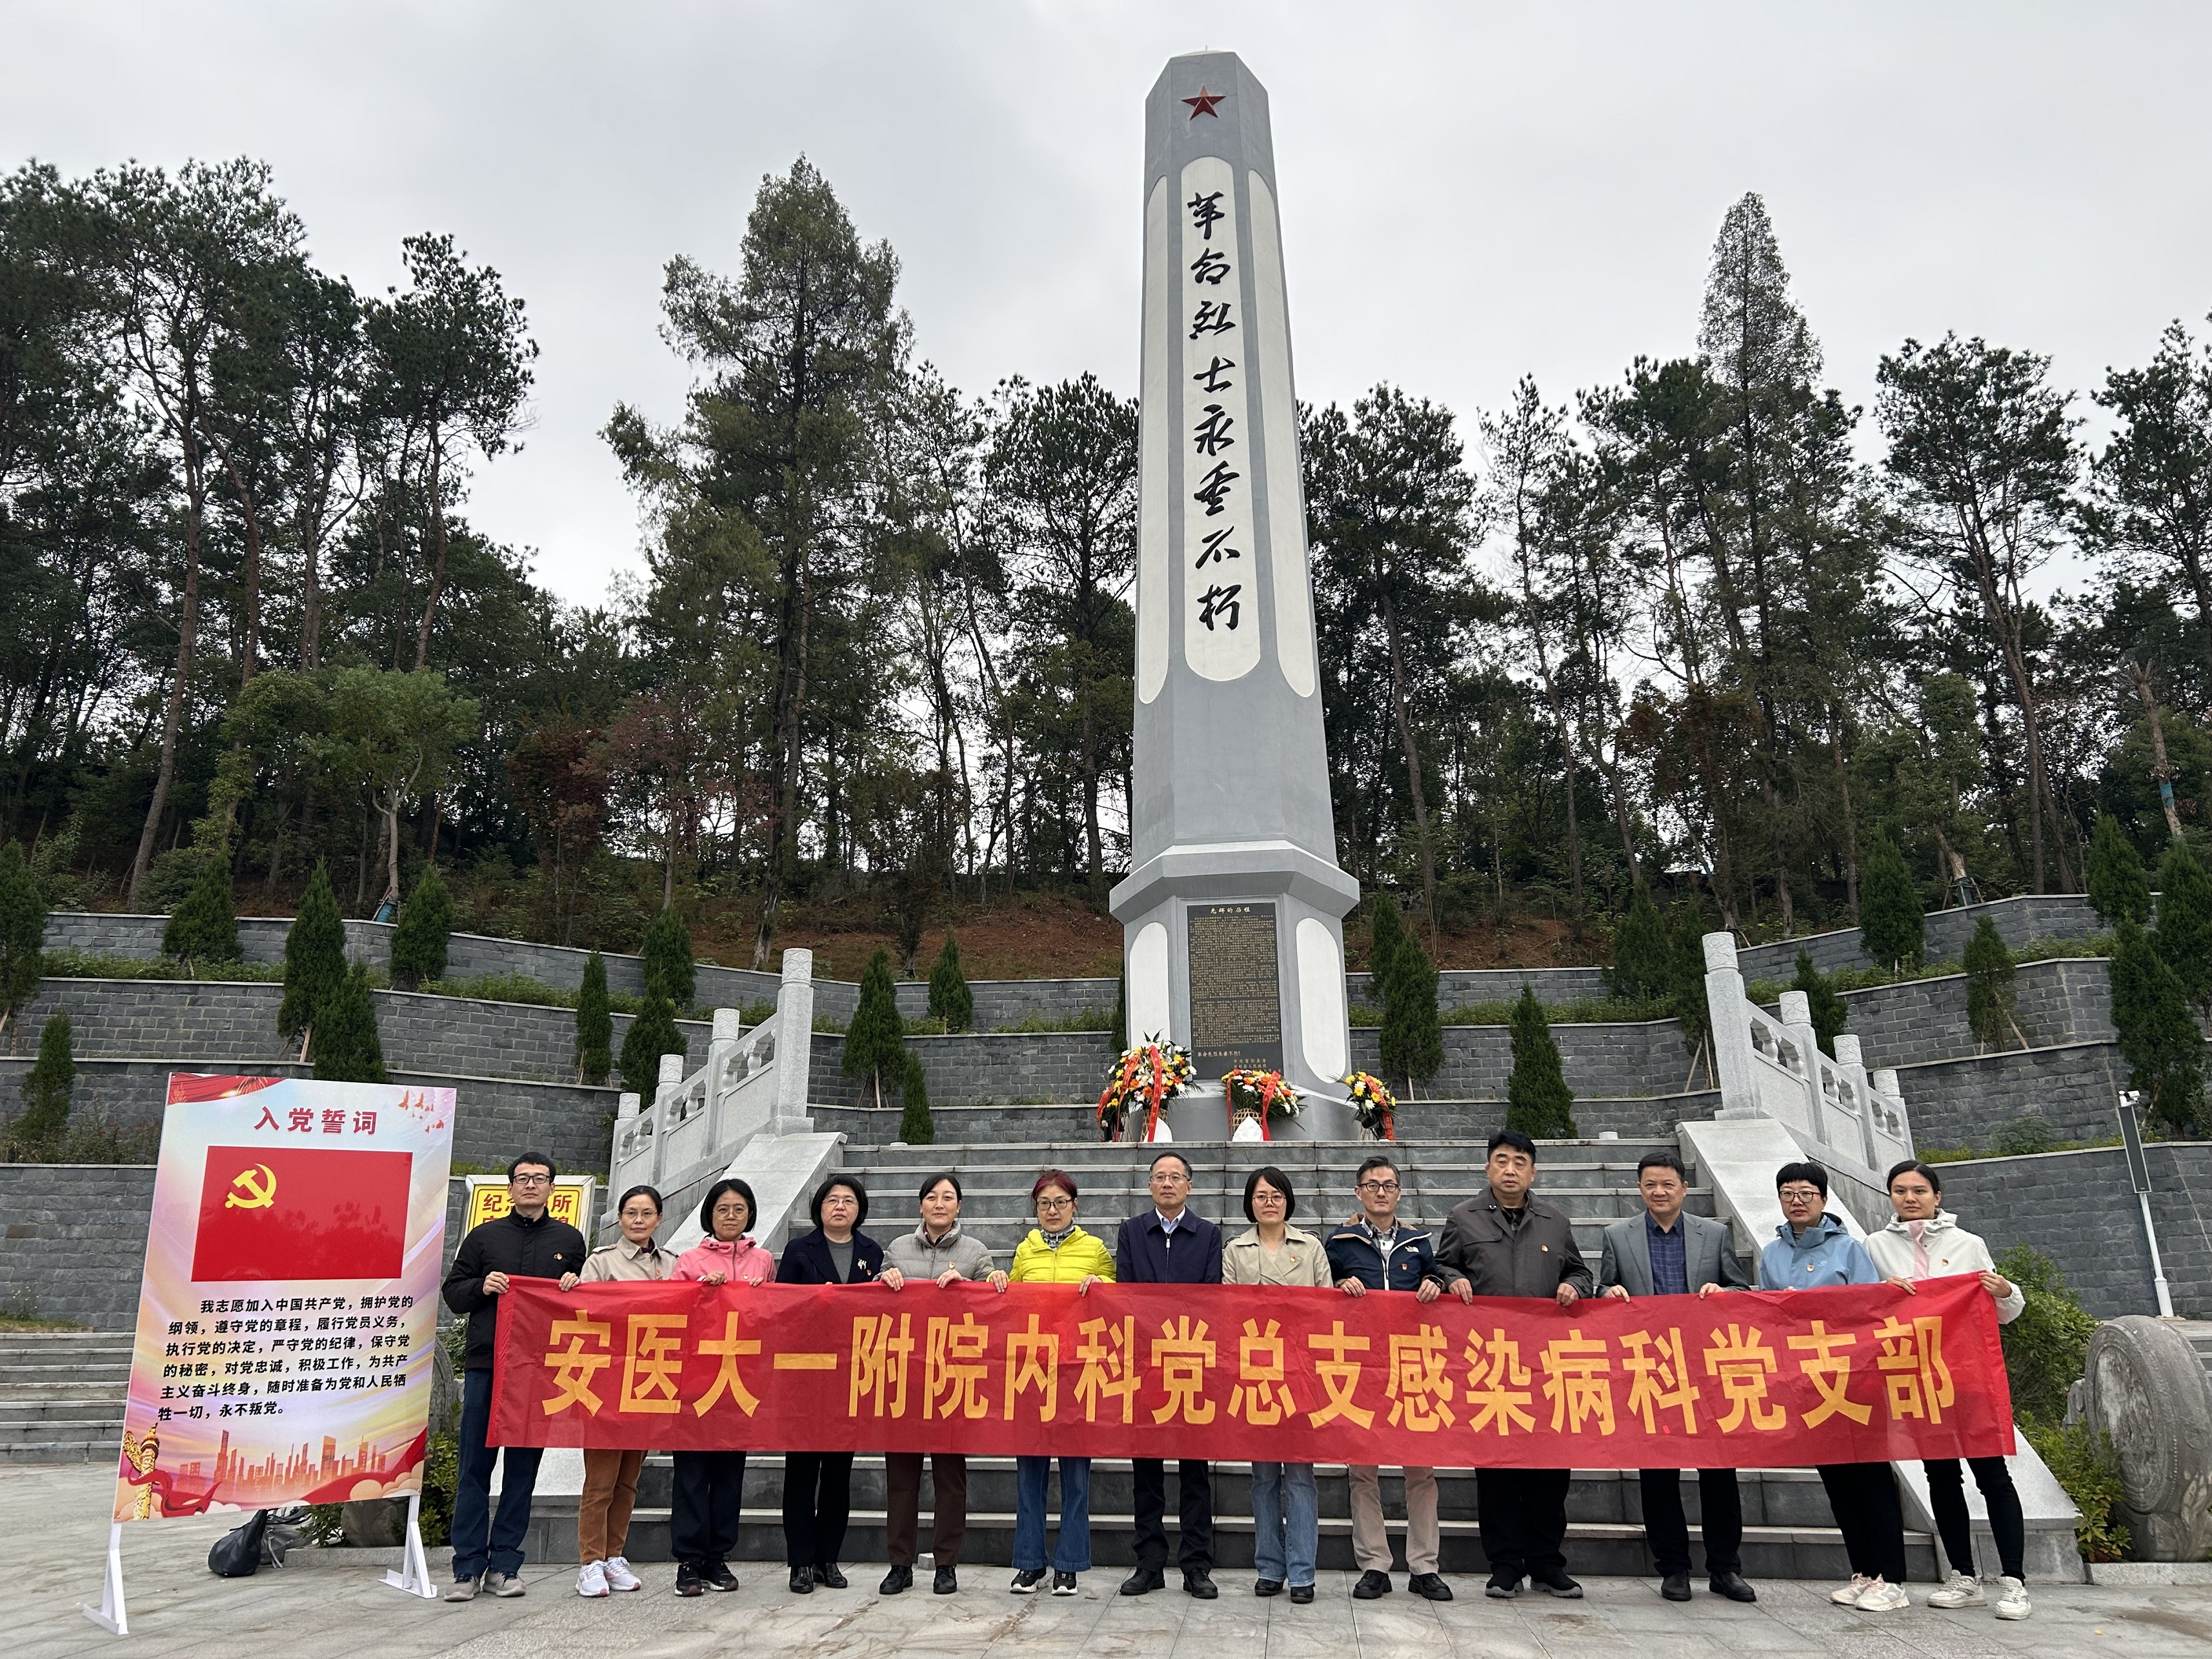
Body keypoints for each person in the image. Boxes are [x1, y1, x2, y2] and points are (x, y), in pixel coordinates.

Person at [1865, 1158, 2032, 1622]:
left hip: (1967, 1377)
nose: (1910, 1198)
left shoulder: (1967, 1243)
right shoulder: (1876, 1246)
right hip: (1918, 1380)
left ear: (1938, 1196)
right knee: (1941, 1476)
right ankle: (1963, 1574)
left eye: (1919, 1190)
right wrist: (1883, 1290)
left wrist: (2004, 1289)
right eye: (1900, 1190)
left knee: (1992, 1475)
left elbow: (2006, 1312)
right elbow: (1864, 1310)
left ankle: (2014, 1581)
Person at [1596, 1151, 1758, 1605]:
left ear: (1684, 1188)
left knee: (1719, 1473)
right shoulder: (1617, 1235)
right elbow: (1601, 1289)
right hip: (1650, 1371)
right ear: (1640, 1188)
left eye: (1667, 1184)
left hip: (1706, 1371)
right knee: (1658, 1474)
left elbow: (1743, 1289)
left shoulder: (1715, 1233)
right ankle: (1674, 1567)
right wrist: (1609, 1292)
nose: (1659, 1191)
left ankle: (1725, 1567)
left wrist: (1723, 1292)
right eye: (1650, 1184)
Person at [1438, 1129, 1593, 1600]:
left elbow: (1581, 1271)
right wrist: (1452, 1279)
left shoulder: (1555, 1220)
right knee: (1497, 1471)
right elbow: (1441, 1265)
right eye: (1501, 1160)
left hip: (1546, 1366)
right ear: (1488, 1167)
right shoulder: (1463, 1218)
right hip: (1490, 1366)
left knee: (1550, 1469)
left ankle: (1547, 1563)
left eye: (1520, 1161)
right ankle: (1504, 1565)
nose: (1510, 1169)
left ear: (1532, 1171)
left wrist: (1576, 1288)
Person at [1756, 1160, 1911, 1613]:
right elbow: (1768, 1314)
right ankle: (1863, 1572)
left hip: (1855, 1380)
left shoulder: (1850, 1250)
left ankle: (1893, 1578)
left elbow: (1869, 1310)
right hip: (1809, 1385)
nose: (1797, 1200)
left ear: (1823, 1199)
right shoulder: (1772, 1253)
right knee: (1838, 1483)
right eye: (1788, 1193)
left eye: (1806, 1192)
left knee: (1873, 1480)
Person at [439, 1152, 587, 1603]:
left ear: (551, 1188)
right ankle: (467, 1568)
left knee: (522, 1471)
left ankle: (505, 1564)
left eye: (539, 1179)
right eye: (522, 1178)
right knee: (474, 1469)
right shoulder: (484, 1237)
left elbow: (585, 1301)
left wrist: (573, 1285)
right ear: (509, 1188)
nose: (530, 1185)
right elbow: (453, 1293)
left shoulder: (570, 1239)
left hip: (540, 1371)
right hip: (488, 1366)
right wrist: (482, 1286)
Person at [1327, 1153, 1471, 1604]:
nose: (1381, 1192)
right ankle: (1374, 1564)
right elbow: (1319, 1294)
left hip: (1414, 1368)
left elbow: (1439, 1275)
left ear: (1400, 1191)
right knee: (1362, 1472)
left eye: (1389, 1184)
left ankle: (1425, 1566)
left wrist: (1437, 1282)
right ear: (1358, 1192)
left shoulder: (1418, 1242)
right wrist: (1338, 1289)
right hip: (1363, 1369)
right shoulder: (1340, 1242)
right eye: (1372, 1185)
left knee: (1422, 1472)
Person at [878, 1172, 1007, 1596]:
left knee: (950, 1477)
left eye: (948, 1197)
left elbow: (994, 1292)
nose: (939, 1203)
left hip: (954, 1378)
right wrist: (885, 1281)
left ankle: (946, 1563)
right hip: (905, 1377)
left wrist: (972, 1285)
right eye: (931, 1196)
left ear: (959, 1207)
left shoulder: (975, 1251)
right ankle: (900, 1563)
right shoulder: (897, 1249)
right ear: (920, 1206)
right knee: (901, 1476)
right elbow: (872, 1301)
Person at [1115, 1149, 1225, 1600]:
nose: (1167, 1183)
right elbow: (1124, 1292)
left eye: (1175, 1176)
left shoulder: (1209, 1234)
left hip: (1192, 1365)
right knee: (1146, 1471)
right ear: (1149, 1185)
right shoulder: (1131, 1232)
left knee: (1195, 1472)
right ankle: (1149, 1563)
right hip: (1143, 1367)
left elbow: (1213, 1295)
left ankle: (1197, 1565)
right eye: (1159, 1176)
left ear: (1189, 1185)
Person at [1223, 1166, 1333, 1605]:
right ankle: (1270, 1566)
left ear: (1289, 1200)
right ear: (1249, 1202)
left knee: (1302, 1477)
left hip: (1302, 1372)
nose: (1269, 1201)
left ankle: (1303, 1572)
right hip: (1257, 1373)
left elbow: (1326, 1308)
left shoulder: (1311, 1248)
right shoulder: (1235, 1249)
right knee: (1264, 1477)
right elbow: (1228, 1308)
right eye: (1261, 1195)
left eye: (1276, 1195)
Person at [1005, 1169, 1114, 1595]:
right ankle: (1030, 1562)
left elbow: (1117, 1291)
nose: (1052, 1211)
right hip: (1032, 1371)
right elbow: (1011, 1300)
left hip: (1077, 1372)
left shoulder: (1094, 1248)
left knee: (1075, 1475)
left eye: (1060, 1203)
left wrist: (1101, 1282)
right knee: (1028, 1473)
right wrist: (1001, 1282)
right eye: (1044, 1204)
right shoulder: (1025, 1250)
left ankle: (1068, 1562)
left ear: (1075, 1206)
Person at [774, 1176, 883, 1595]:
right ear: (819, 1207)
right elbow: (780, 1304)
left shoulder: (872, 1253)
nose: (840, 1206)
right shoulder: (800, 1249)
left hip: (851, 1376)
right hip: (805, 1375)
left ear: (860, 1209)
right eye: (832, 1200)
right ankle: (800, 1561)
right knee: (801, 1472)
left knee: (839, 1473)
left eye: (848, 1200)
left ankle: (828, 1558)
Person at [563, 1183, 672, 1599]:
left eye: (646, 1213)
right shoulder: (602, 1262)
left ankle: (613, 1556)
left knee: (629, 1479)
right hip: (607, 1383)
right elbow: (579, 1315)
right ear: (620, 1219)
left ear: (659, 1219)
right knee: (600, 1481)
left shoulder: (672, 1264)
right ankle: (589, 1561)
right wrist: (574, 1285)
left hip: (648, 1380)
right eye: (631, 1213)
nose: (638, 1220)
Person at [668, 1177, 773, 1597]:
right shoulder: (690, 1259)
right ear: (709, 1215)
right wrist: (698, 1291)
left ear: (750, 1214)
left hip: (740, 1382)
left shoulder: (763, 1260)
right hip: (696, 1381)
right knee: (691, 1473)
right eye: (723, 1208)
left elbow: (771, 1316)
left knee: (730, 1474)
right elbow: (669, 1313)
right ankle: (689, 1561)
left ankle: (718, 1556)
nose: (731, 1215)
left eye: (739, 1208)